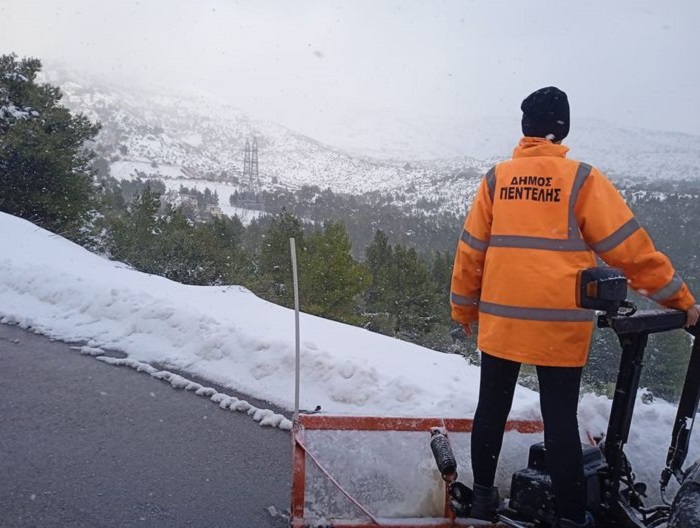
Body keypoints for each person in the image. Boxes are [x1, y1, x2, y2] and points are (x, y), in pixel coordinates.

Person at [450, 86, 700, 528]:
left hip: (502, 321)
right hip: (558, 325)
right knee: (560, 421)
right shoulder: (582, 179)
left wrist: (464, 309)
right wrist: (681, 301)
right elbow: (631, 251)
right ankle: (569, 519)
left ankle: (484, 503)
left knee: (491, 408)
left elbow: (471, 252)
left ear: (524, 129)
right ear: (560, 129)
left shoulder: (497, 179)